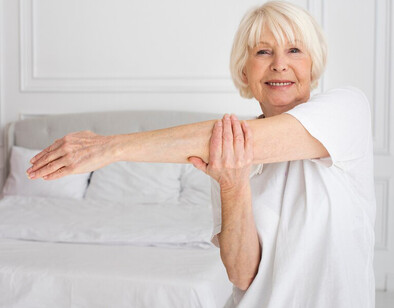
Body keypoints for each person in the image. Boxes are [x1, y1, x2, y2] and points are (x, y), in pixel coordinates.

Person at [25, 1, 376, 307]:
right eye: (263, 51)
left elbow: (242, 140)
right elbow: (242, 276)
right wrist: (233, 185)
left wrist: (109, 147)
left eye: (295, 50)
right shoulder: (225, 159)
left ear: (314, 66)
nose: (279, 64)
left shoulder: (346, 110)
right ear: (244, 70)